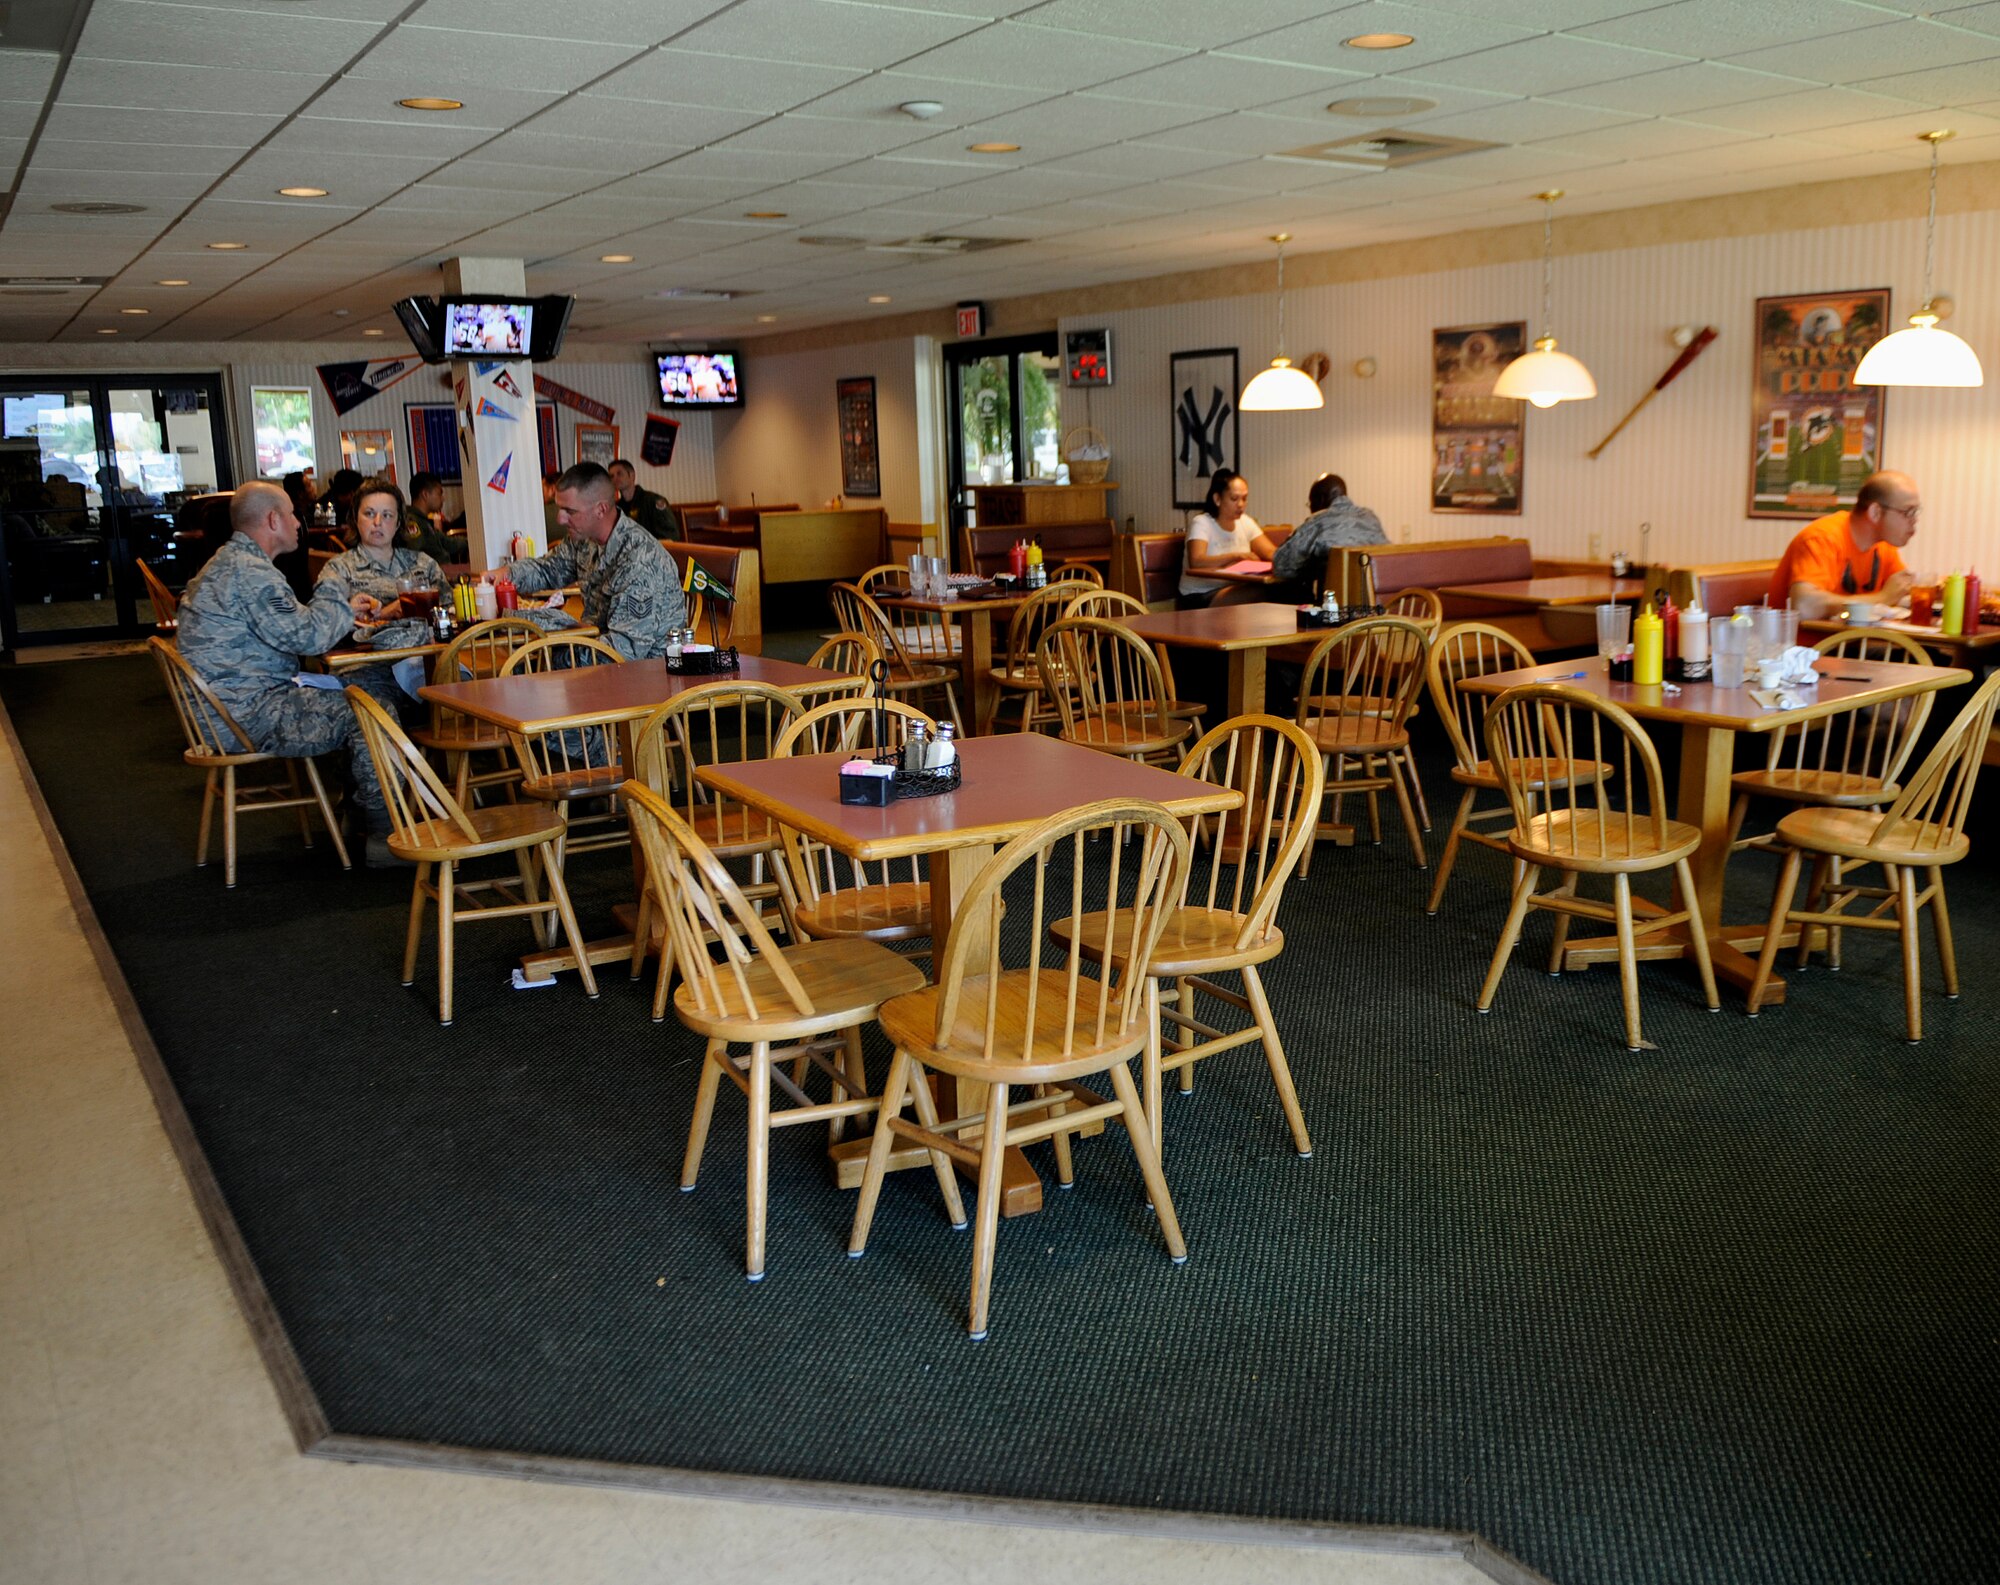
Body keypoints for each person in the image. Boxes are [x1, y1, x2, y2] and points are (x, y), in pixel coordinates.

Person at [175, 480, 403, 865]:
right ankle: (386, 836)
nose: (299, 523)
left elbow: (295, 625)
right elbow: (309, 637)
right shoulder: (252, 573)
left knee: (354, 691)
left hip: (223, 709)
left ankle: (358, 816)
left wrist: (341, 608)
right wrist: (334, 593)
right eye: (293, 514)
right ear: (272, 519)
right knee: (372, 710)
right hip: (246, 716)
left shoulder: (230, 563)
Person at [500, 462, 686, 659]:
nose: (560, 519)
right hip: (599, 651)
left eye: (569, 511)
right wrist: (506, 575)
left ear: (600, 509)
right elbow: (549, 570)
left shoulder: (639, 561)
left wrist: (555, 656)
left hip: (645, 675)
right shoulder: (584, 539)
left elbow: (623, 653)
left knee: (524, 668)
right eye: (560, 509)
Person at [1767, 470, 1919, 618]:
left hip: (1852, 640)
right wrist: (1882, 598)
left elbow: (1900, 591)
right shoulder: (1822, 538)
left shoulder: (1883, 544)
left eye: (1916, 512)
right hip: (1811, 642)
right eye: (1908, 512)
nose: (1914, 520)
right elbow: (1804, 606)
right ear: (1875, 513)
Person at [315, 476, 445, 612]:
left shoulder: (424, 564)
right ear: (355, 518)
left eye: (387, 515)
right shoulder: (340, 568)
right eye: (369, 514)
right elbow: (322, 620)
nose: (378, 522)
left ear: (398, 523)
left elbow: (452, 612)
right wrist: (353, 612)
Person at [1269, 473, 1387, 600]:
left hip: (1335, 609)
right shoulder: (1370, 518)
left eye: (1311, 504)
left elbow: (1281, 566)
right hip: (1379, 606)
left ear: (1321, 499)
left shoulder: (1318, 521)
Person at [1179, 468, 1277, 606]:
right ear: (1217, 499)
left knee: (1280, 590)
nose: (1241, 505)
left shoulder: (1245, 521)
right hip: (1199, 594)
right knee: (1259, 594)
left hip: (1232, 589)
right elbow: (1196, 561)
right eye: (1234, 499)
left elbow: (1269, 552)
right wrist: (1236, 556)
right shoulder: (1201, 523)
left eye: (1244, 498)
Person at [400, 471, 467, 564]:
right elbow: (413, 557)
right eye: (439, 493)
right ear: (425, 495)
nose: (443, 499)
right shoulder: (413, 523)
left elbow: (448, 543)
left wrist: (472, 542)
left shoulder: (424, 521)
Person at [608, 458, 676, 540]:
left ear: (632, 475)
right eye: (611, 476)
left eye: (619, 474)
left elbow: (670, 536)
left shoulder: (653, 501)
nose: (615, 478)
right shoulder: (616, 508)